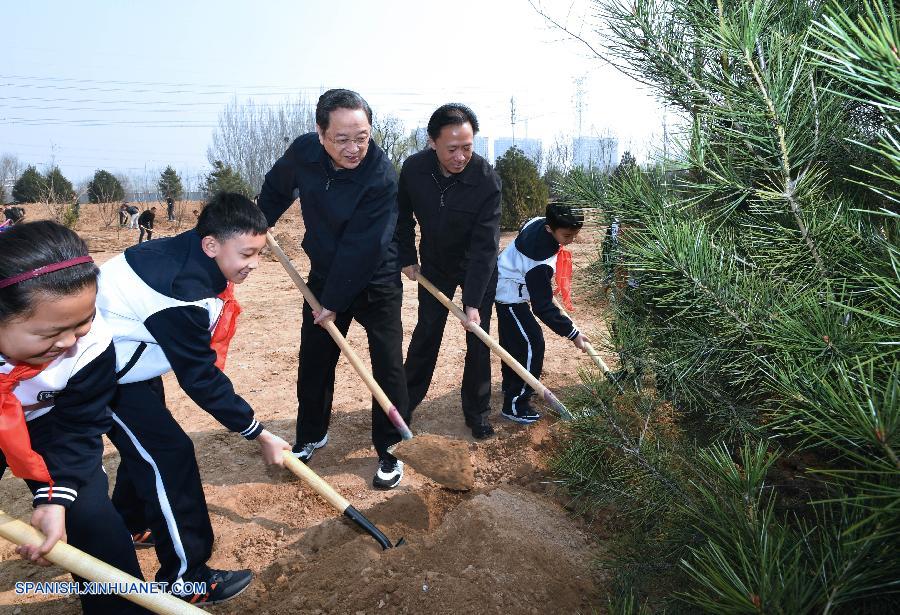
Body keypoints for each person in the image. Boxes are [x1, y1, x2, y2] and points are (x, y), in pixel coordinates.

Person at [96, 192, 291, 605]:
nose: (254, 264)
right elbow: (200, 379)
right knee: (170, 454)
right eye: (247, 254)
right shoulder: (181, 293)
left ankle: (132, 521)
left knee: (148, 446)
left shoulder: (193, 251)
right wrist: (257, 432)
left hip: (130, 352)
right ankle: (186, 579)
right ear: (211, 245)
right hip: (100, 373)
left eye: (260, 252)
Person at [257, 88, 410, 489]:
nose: (354, 148)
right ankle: (311, 433)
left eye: (362, 136)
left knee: (387, 364)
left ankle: (392, 448)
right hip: (325, 271)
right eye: (342, 139)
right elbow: (275, 189)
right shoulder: (304, 153)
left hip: (375, 276)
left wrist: (334, 303)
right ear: (320, 133)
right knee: (315, 359)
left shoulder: (380, 174)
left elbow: (365, 246)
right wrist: (258, 222)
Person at [0, 221, 151, 614]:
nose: (69, 342)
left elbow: (82, 422)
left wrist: (55, 497)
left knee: (94, 521)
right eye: (51, 332)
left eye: (81, 322)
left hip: (54, 420)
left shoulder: (93, 344)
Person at [397, 103, 502, 439]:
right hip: (435, 264)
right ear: (432, 142)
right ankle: (404, 405)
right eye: (452, 149)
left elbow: (485, 245)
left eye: (467, 148)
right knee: (427, 332)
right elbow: (400, 216)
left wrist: (472, 302)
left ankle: (477, 412)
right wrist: (406, 255)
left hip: (477, 268)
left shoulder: (486, 180)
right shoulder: (414, 170)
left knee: (478, 339)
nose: (460, 157)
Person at [494, 204, 590, 423]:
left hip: (511, 281)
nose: (571, 240)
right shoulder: (539, 260)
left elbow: (524, 224)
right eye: (567, 235)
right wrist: (573, 334)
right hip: (510, 295)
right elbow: (542, 307)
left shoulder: (538, 221)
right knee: (531, 343)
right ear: (549, 229)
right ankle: (515, 405)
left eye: (575, 234)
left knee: (514, 343)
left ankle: (512, 385)